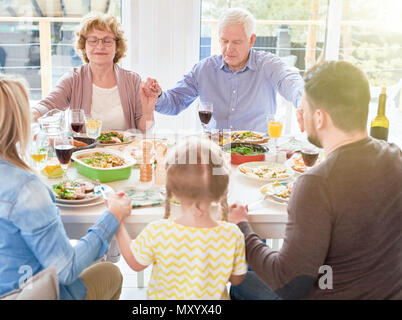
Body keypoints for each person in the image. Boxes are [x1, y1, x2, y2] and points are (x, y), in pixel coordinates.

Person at [228, 61, 402, 300]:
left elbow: (287, 284)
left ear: (319, 117)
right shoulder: (395, 156)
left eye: (304, 108)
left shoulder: (316, 184)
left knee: (241, 282)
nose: (301, 114)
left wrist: (242, 228)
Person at [0, 74, 133, 300]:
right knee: (110, 273)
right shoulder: (26, 189)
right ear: (15, 122)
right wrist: (112, 217)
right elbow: (67, 269)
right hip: (26, 295)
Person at [116, 138, 247, 299]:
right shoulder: (232, 234)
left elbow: (134, 262)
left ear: (173, 191)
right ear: (221, 188)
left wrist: (117, 223)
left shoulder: (159, 231)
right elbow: (236, 279)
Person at [143, 8, 304, 133]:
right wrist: (157, 95)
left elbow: (290, 81)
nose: (229, 49)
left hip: (256, 155)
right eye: (224, 41)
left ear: (251, 40)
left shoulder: (268, 64)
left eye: (236, 42)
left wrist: (304, 101)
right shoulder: (204, 69)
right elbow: (175, 102)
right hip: (215, 153)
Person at [31, 12, 157, 132]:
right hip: (82, 153)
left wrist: (148, 110)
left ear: (117, 46)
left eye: (107, 40)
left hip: (124, 152)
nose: (100, 46)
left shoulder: (132, 80)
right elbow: (48, 105)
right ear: (84, 45)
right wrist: (30, 114)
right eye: (93, 40)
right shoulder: (73, 78)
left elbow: (143, 129)